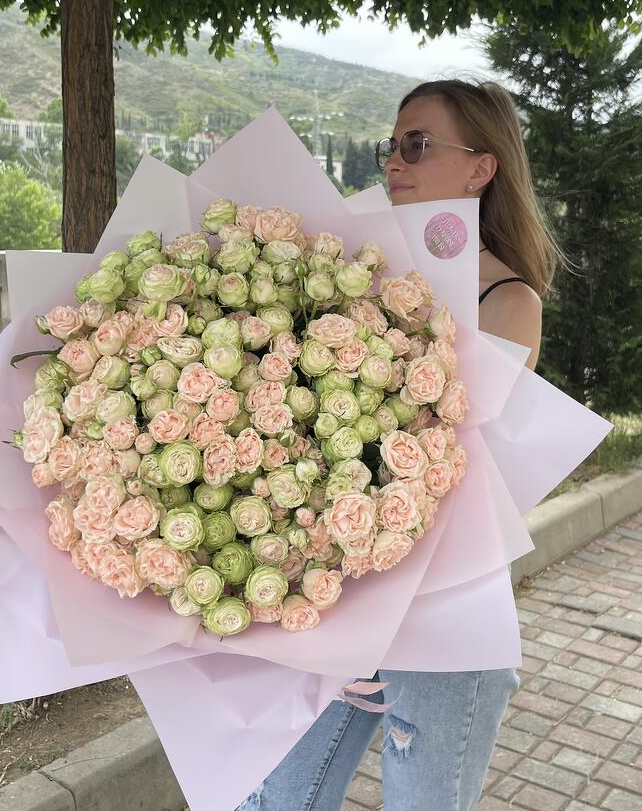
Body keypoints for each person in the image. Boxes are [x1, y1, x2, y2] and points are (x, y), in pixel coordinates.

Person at [237, 79, 561, 810]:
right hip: (341, 585)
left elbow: (454, 462)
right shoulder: (362, 272)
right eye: (393, 144)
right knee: (275, 799)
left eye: (417, 144)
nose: (393, 160)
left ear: (481, 167)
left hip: (447, 610)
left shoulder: (508, 301)